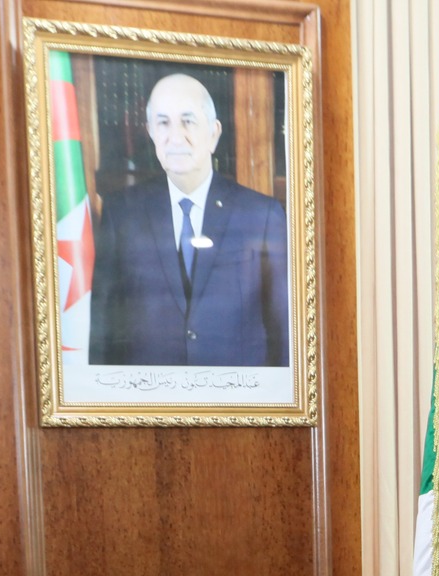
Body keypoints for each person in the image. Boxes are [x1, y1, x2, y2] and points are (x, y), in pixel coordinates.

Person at [88, 71, 289, 367]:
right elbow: (104, 331)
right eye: (163, 123)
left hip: (236, 394)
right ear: (151, 132)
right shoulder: (122, 214)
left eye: (188, 121)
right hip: (149, 393)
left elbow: (284, 334)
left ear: (214, 133)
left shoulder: (261, 216)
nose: (175, 137)